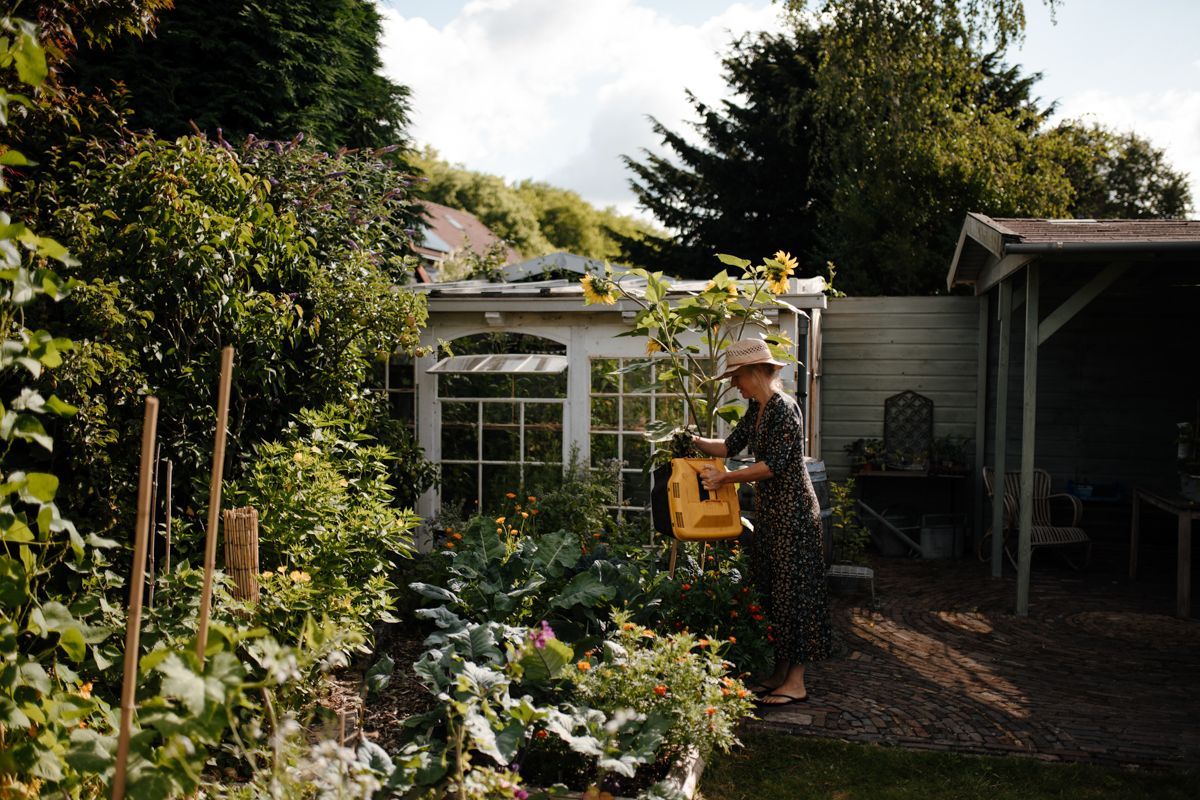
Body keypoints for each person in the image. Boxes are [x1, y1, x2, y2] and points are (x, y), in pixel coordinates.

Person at [689, 338, 832, 706]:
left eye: (736, 377)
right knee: (776, 592)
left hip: (796, 514)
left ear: (754, 373)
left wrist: (724, 479)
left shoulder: (785, 408)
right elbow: (729, 446)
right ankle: (780, 675)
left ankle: (796, 682)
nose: (735, 385)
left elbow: (776, 465)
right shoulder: (758, 409)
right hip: (774, 515)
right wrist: (691, 440)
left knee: (796, 594)